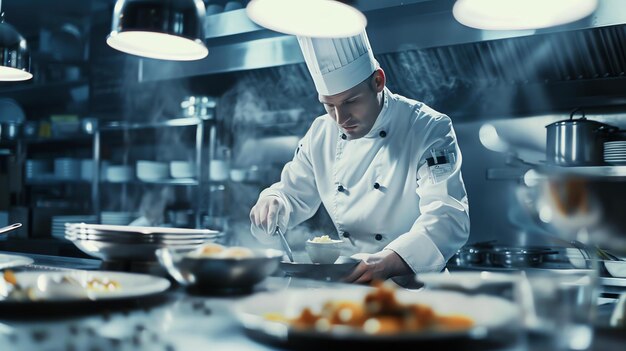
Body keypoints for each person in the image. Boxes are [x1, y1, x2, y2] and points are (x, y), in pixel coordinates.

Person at [249, 29, 469, 284]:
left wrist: (389, 261)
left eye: (351, 101)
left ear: (378, 81)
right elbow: (290, 194)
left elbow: (448, 216)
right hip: (350, 288)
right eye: (329, 105)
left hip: (414, 290)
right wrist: (273, 201)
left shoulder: (428, 127)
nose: (340, 119)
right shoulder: (321, 132)